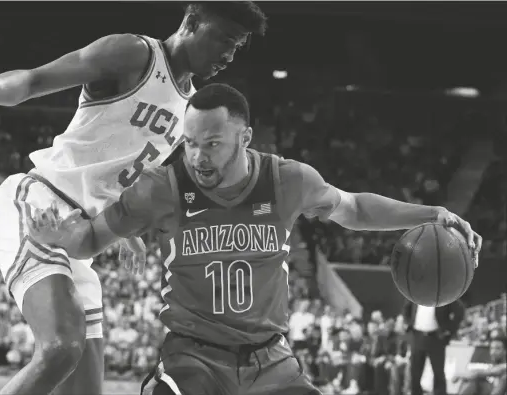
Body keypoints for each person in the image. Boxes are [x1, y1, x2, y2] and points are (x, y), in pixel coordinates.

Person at [24, 83, 482, 395]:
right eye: (189, 143)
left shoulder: (287, 181)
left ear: (244, 137)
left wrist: (433, 212)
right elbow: (90, 240)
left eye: (212, 143)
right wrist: (61, 234)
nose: (198, 156)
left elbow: (355, 209)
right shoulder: (161, 187)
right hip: (193, 360)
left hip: (272, 362)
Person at [0, 3, 267, 395]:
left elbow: (123, 173)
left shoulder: (192, 111)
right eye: (225, 40)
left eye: (238, 47)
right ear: (193, 22)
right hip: (40, 204)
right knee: (61, 348)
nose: (229, 55)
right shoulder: (133, 54)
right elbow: (33, 80)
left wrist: (125, 229)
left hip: (81, 236)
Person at [403, 299, 466, 395]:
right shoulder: (416, 292)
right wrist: (408, 323)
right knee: (415, 373)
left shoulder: (442, 293)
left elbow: (460, 310)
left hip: (436, 337)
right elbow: (406, 308)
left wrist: (449, 329)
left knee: (438, 374)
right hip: (417, 336)